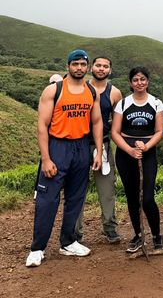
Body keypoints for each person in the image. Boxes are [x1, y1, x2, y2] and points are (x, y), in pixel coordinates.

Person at [26, 49, 103, 268]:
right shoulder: (54, 90)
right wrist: (46, 158)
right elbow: (42, 125)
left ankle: (68, 241)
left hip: (81, 147)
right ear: (68, 65)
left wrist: (98, 150)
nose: (79, 68)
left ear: (87, 67)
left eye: (82, 64)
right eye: (75, 64)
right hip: (58, 145)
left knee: (76, 197)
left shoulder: (91, 91)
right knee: (47, 199)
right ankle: (37, 248)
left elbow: (96, 122)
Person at [111, 66, 163, 252]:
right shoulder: (123, 104)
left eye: (142, 79)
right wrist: (129, 150)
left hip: (147, 153)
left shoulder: (156, 103)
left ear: (147, 82)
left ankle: (157, 234)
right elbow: (115, 132)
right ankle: (138, 234)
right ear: (131, 83)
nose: (139, 83)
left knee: (147, 198)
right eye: (135, 80)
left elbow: (159, 131)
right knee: (132, 197)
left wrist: (146, 146)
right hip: (126, 155)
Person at [75, 56, 123, 244]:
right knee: (77, 189)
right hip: (78, 144)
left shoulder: (115, 93)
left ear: (110, 70)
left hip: (102, 144)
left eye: (105, 66)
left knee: (107, 188)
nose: (101, 69)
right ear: (91, 67)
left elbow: (117, 121)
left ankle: (110, 228)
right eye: (98, 65)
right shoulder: (80, 87)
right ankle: (75, 232)